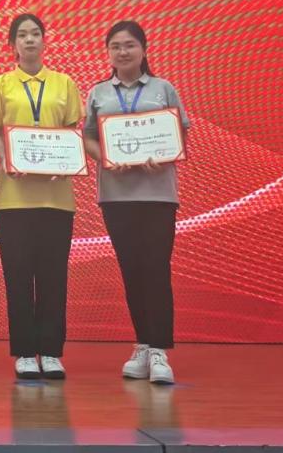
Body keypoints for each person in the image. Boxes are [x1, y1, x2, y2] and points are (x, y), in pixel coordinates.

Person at [81, 20, 189, 385]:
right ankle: (142, 343)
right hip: (116, 196)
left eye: (129, 45)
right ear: (108, 52)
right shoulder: (99, 93)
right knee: (131, 270)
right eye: (115, 46)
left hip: (158, 194)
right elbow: (89, 138)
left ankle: (159, 350)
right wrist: (107, 158)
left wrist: (164, 154)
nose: (122, 51)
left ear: (143, 49)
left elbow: (180, 135)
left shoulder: (163, 89)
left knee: (156, 268)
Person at [0, 13, 82, 380]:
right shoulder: (0, 85)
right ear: (12, 44)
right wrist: (7, 158)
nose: (29, 40)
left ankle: (51, 351)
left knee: (54, 277)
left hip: (57, 199)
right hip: (14, 199)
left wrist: (67, 161)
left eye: (35, 34)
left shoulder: (64, 83)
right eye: (22, 35)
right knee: (19, 276)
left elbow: (72, 131)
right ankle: (25, 351)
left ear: (44, 40)